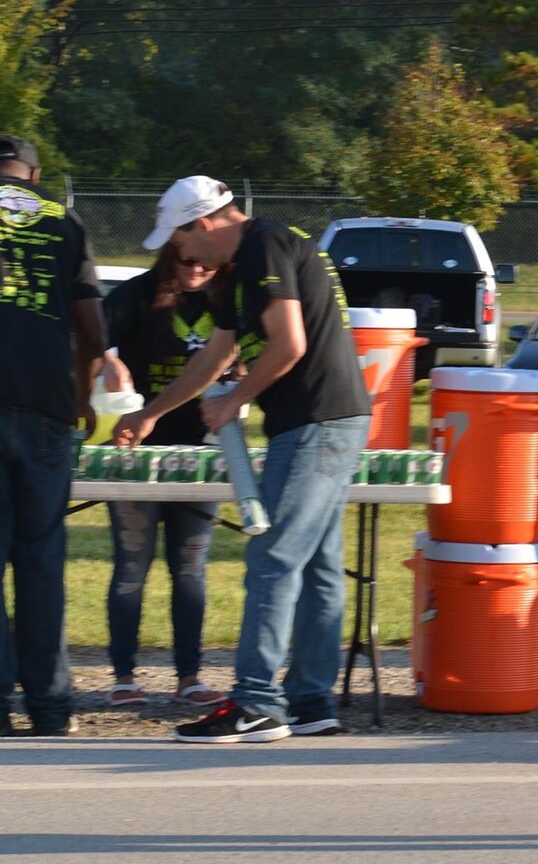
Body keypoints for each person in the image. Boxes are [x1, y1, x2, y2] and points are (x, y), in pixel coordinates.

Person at [116, 176, 372, 744]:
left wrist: (235, 399)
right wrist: (152, 413)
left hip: (316, 419)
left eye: (181, 241)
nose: (180, 255)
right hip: (326, 418)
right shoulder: (238, 273)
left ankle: (258, 701)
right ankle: (310, 699)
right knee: (317, 565)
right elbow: (215, 353)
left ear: (202, 223)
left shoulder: (264, 246)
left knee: (273, 558)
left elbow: (289, 343)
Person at [0, 132, 104, 738]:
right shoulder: (64, 222)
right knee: (40, 560)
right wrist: (82, 394)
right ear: (33, 176)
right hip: (45, 406)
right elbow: (92, 327)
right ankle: (49, 707)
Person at [100, 243, 235, 709]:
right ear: (167, 257)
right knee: (131, 565)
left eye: (207, 261)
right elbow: (90, 334)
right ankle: (122, 677)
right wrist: (108, 360)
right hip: (136, 453)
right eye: (186, 260)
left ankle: (190, 677)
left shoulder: (225, 302)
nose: (197, 268)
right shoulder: (136, 296)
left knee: (190, 567)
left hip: (201, 455)